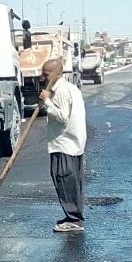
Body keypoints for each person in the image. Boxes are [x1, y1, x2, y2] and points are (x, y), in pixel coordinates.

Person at [39, 58, 87, 232]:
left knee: (64, 180)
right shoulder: (69, 88)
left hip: (64, 144)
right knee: (72, 182)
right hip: (71, 143)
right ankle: (73, 216)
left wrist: (47, 101)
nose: (42, 78)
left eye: (45, 74)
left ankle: (74, 219)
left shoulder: (62, 91)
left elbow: (62, 116)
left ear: (55, 73)